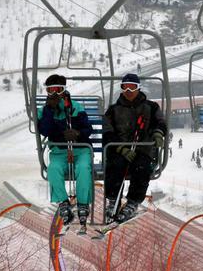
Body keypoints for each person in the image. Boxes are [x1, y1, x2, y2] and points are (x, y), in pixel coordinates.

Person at [102, 73, 167, 224]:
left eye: (133, 87)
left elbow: (160, 123)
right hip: (120, 150)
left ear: (138, 88)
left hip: (143, 150)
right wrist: (121, 148)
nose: (129, 91)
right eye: (126, 87)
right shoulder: (113, 110)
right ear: (122, 88)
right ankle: (113, 200)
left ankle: (132, 203)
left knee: (142, 168)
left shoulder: (151, 107)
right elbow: (107, 132)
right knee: (115, 165)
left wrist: (158, 133)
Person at [37, 74, 94, 229]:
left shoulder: (75, 107)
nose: (55, 94)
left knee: (83, 168)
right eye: (51, 90)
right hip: (59, 151)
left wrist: (77, 133)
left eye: (58, 89)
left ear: (64, 90)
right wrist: (50, 110)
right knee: (53, 169)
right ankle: (63, 203)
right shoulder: (45, 111)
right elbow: (44, 130)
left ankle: (83, 203)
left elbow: (87, 128)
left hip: (80, 149)